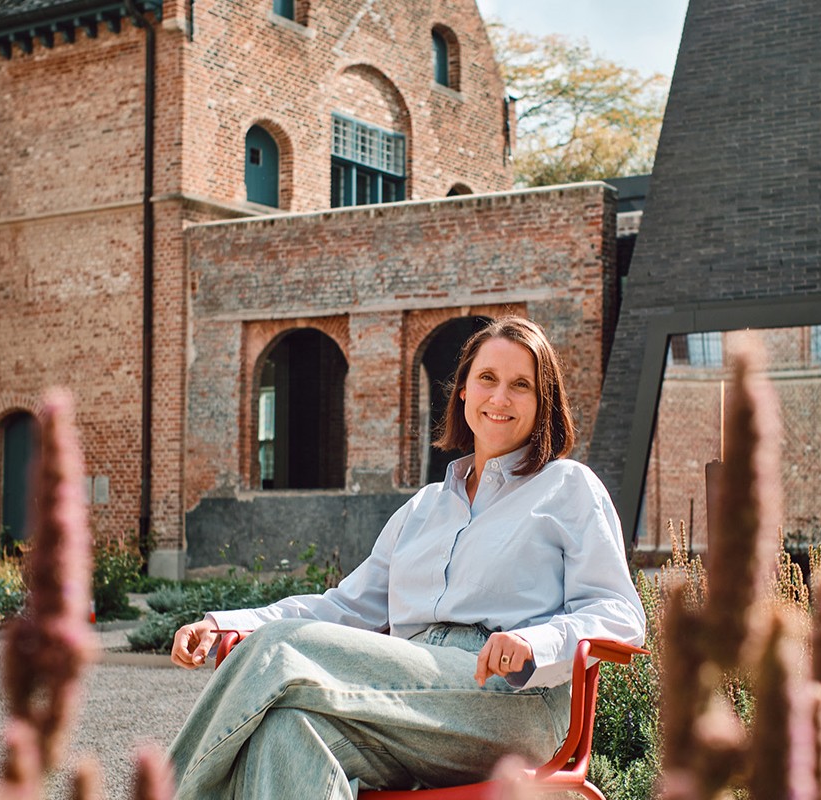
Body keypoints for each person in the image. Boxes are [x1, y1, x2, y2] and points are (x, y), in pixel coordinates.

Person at [168, 316, 646, 800]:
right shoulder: (421, 509)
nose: (500, 398)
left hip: (510, 700)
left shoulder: (568, 487)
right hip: (407, 702)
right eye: (487, 378)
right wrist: (224, 623)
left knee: (277, 650)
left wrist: (534, 641)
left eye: (521, 385)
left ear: (544, 402)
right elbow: (344, 608)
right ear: (463, 390)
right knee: (284, 732)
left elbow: (620, 613)